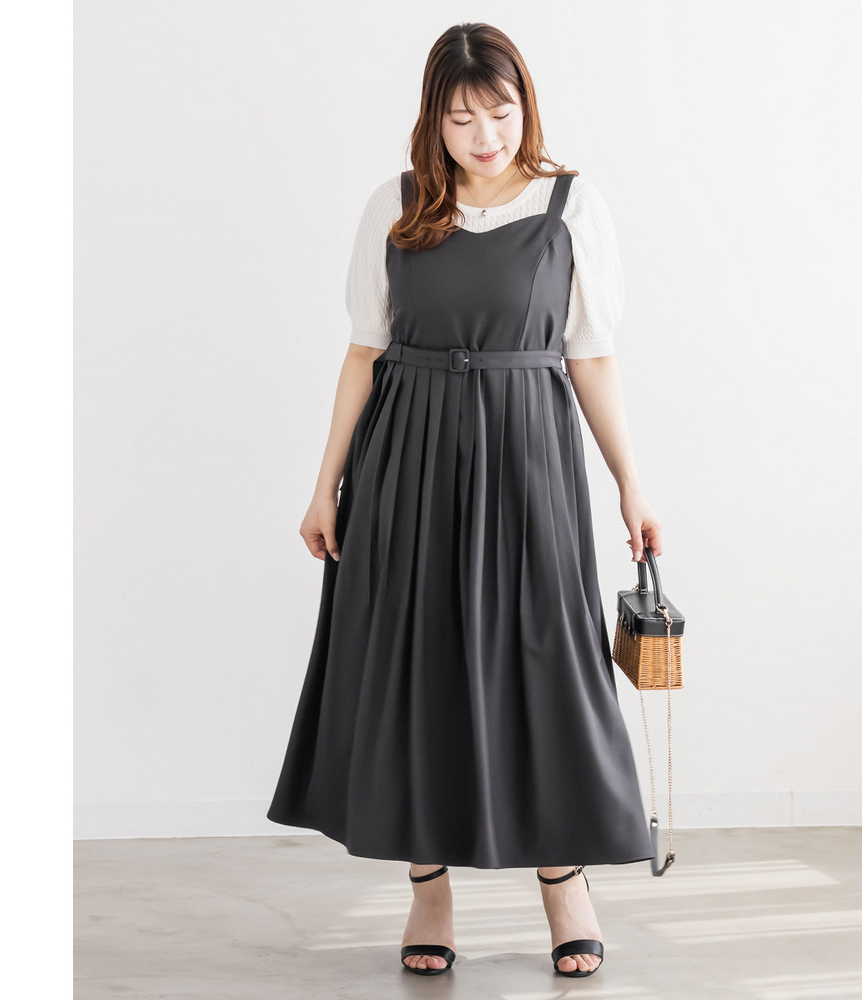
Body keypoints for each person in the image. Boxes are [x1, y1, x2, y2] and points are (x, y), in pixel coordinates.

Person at [267, 21, 664, 979]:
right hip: (405, 457)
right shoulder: (398, 205)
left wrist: (631, 482)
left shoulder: (570, 205)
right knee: (417, 660)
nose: (485, 135)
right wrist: (324, 484)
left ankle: (564, 881)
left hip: (528, 458)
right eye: (461, 117)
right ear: (432, 120)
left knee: (546, 659)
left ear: (526, 107)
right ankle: (429, 889)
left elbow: (591, 356)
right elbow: (364, 350)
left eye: (501, 111)